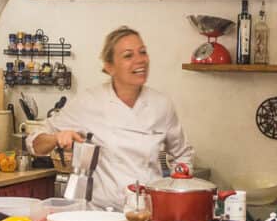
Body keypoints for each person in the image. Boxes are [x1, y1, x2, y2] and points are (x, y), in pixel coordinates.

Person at [29, 26, 194, 210]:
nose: (140, 60)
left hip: (148, 214)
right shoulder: (89, 102)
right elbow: (34, 142)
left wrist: (175, 188)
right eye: (128, 55)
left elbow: (182, 155)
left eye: (143, 52)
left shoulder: (161, 105)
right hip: (101, 214)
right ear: (109, 67)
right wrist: (55, 139)